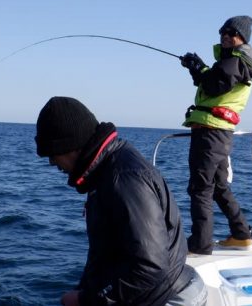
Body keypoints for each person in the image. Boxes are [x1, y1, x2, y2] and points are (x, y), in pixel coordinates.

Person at [35, 96, 207, 306]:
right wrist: (84, 290)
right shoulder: (103, 171)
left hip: (168, 297)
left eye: (53, 154)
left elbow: (150, 266)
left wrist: (86, 299)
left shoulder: (124, 179)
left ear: (72, 146)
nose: (52, 163)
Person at [180, 15, 252, 254]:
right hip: (219, 134)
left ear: (242, 37)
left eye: (230, 33)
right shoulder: (236, 63)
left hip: (210, 133)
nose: (225, 36)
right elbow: (213, 81)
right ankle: (241, 234)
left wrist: (198, 67)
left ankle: (200, 243)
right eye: (222, 32)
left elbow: (214, 84)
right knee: (218, 186)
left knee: (200, 188)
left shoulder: (236, 61)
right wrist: (196, 67)